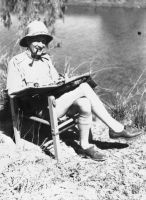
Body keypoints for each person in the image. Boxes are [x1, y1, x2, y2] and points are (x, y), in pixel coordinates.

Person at [7, 20, 141, 161]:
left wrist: (63, 81)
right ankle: (116, 128)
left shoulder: (45, 59)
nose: (40, 45)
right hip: (37, 108)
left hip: (54, 102)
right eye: (36, 40)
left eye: (43, 41)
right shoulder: (16, 62)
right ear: (28, 40)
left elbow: (54, 81)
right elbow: (11, 91)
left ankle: (85, 146)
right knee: (83, 88)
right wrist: (32, 87)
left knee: (84, 103)